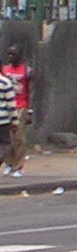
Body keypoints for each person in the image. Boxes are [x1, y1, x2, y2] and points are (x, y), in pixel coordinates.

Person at [0, 44, 26, 177]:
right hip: (7, 108)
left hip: (21, 105)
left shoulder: (26, 70)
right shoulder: (5, 71)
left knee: (18, 138)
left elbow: (30, 90)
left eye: (13, 54)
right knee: (8, 139)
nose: (10, 57)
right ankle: (9, 164)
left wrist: (29, 109)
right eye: (8, 54)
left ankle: (18, 166)